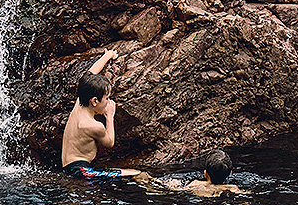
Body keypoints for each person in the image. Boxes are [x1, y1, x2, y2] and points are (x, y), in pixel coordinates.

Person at [59, 49, 128, 178]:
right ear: (95, 101)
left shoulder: (79, 102)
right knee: (136, 174)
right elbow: (109, 142)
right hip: (80, 172)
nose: (108, 102)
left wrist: (108, 55)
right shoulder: (94, 126)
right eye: (107, 98)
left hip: (69, 168)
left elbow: (90, 73)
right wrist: (109, 116)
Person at [141, 149, 244, 197]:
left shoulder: (195, 184)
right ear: (230, 173)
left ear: (205, 173)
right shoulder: (233, 188)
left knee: (144, 176)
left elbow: (173, 188)